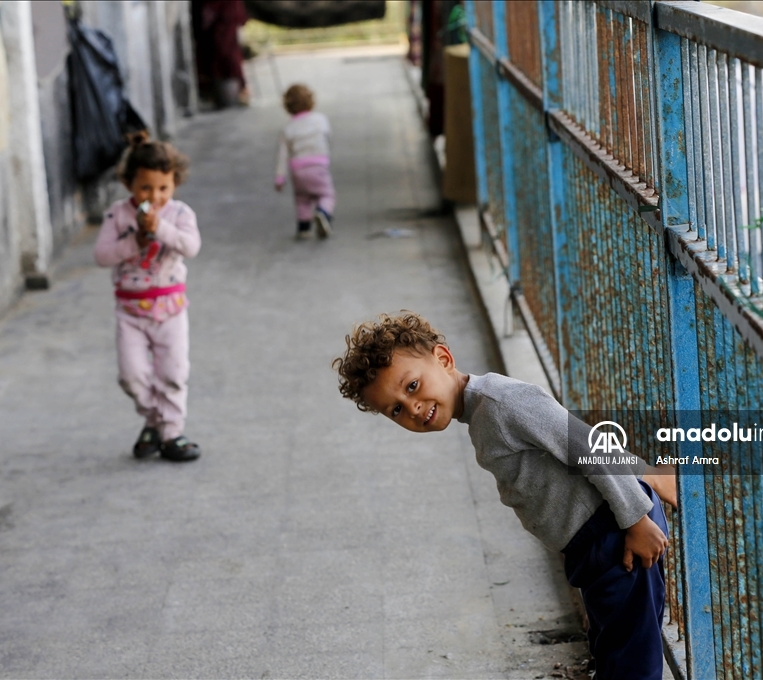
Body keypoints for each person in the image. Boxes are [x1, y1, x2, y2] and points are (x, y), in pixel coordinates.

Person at [333, 312, 676, 679]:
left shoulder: (500, 403)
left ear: (444, 359)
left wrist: (637, 517)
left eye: (413, 386)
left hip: (613, 531)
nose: (412, 407)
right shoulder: (480, 413)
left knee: (631, 659)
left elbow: (583, 443)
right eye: (396, 409)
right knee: (616, 646)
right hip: (594, 541)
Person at [94, 132, 202, 462]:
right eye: (145, 187)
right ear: (129, 184)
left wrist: (160, 229)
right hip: (130, 312)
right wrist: (136, 242)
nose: (154, 196)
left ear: (175, 184)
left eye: (163, 188)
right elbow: (102, 255)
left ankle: (171, 433)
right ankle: (154, 420)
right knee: (132, 377)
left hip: (170, 309)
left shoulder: (180, 213)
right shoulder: (117, 214)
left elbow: (191, 247)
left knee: (172, 373)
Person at [274, 84, 336, 240]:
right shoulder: (320, 120)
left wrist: (280, 178)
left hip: (298, 170)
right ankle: (322, 213)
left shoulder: (287, 128)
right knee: (326, 195)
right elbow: (328, 138)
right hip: (318, 166)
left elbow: (282, 155)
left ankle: (303, 228)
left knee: (302, 199)